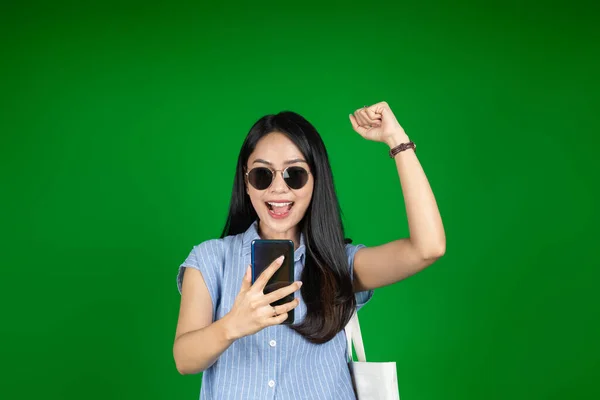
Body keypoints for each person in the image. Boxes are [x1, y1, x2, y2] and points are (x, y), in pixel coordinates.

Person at [173, 101, 446, 399]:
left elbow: (428, 248)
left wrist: (397, 141)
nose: (278, 189)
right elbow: (184, 360)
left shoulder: (340, 263)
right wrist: (232, 325)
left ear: (316, 181)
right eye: (263, 175)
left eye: (295, 174)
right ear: (246, 182)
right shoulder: (210, 259)